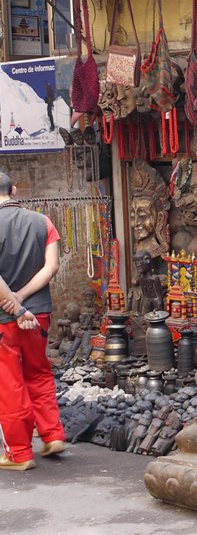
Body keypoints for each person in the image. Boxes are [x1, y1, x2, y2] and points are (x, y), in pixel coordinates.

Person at [0, 172, 66, 471]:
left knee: (10, 383)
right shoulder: (43, 222)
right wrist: (24, 296)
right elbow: (51, 267)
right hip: (38, 311)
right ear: (13, 190)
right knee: (39, 372)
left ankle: (19, 452)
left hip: (5, 317)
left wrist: (13, 303)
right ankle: (53, 435)